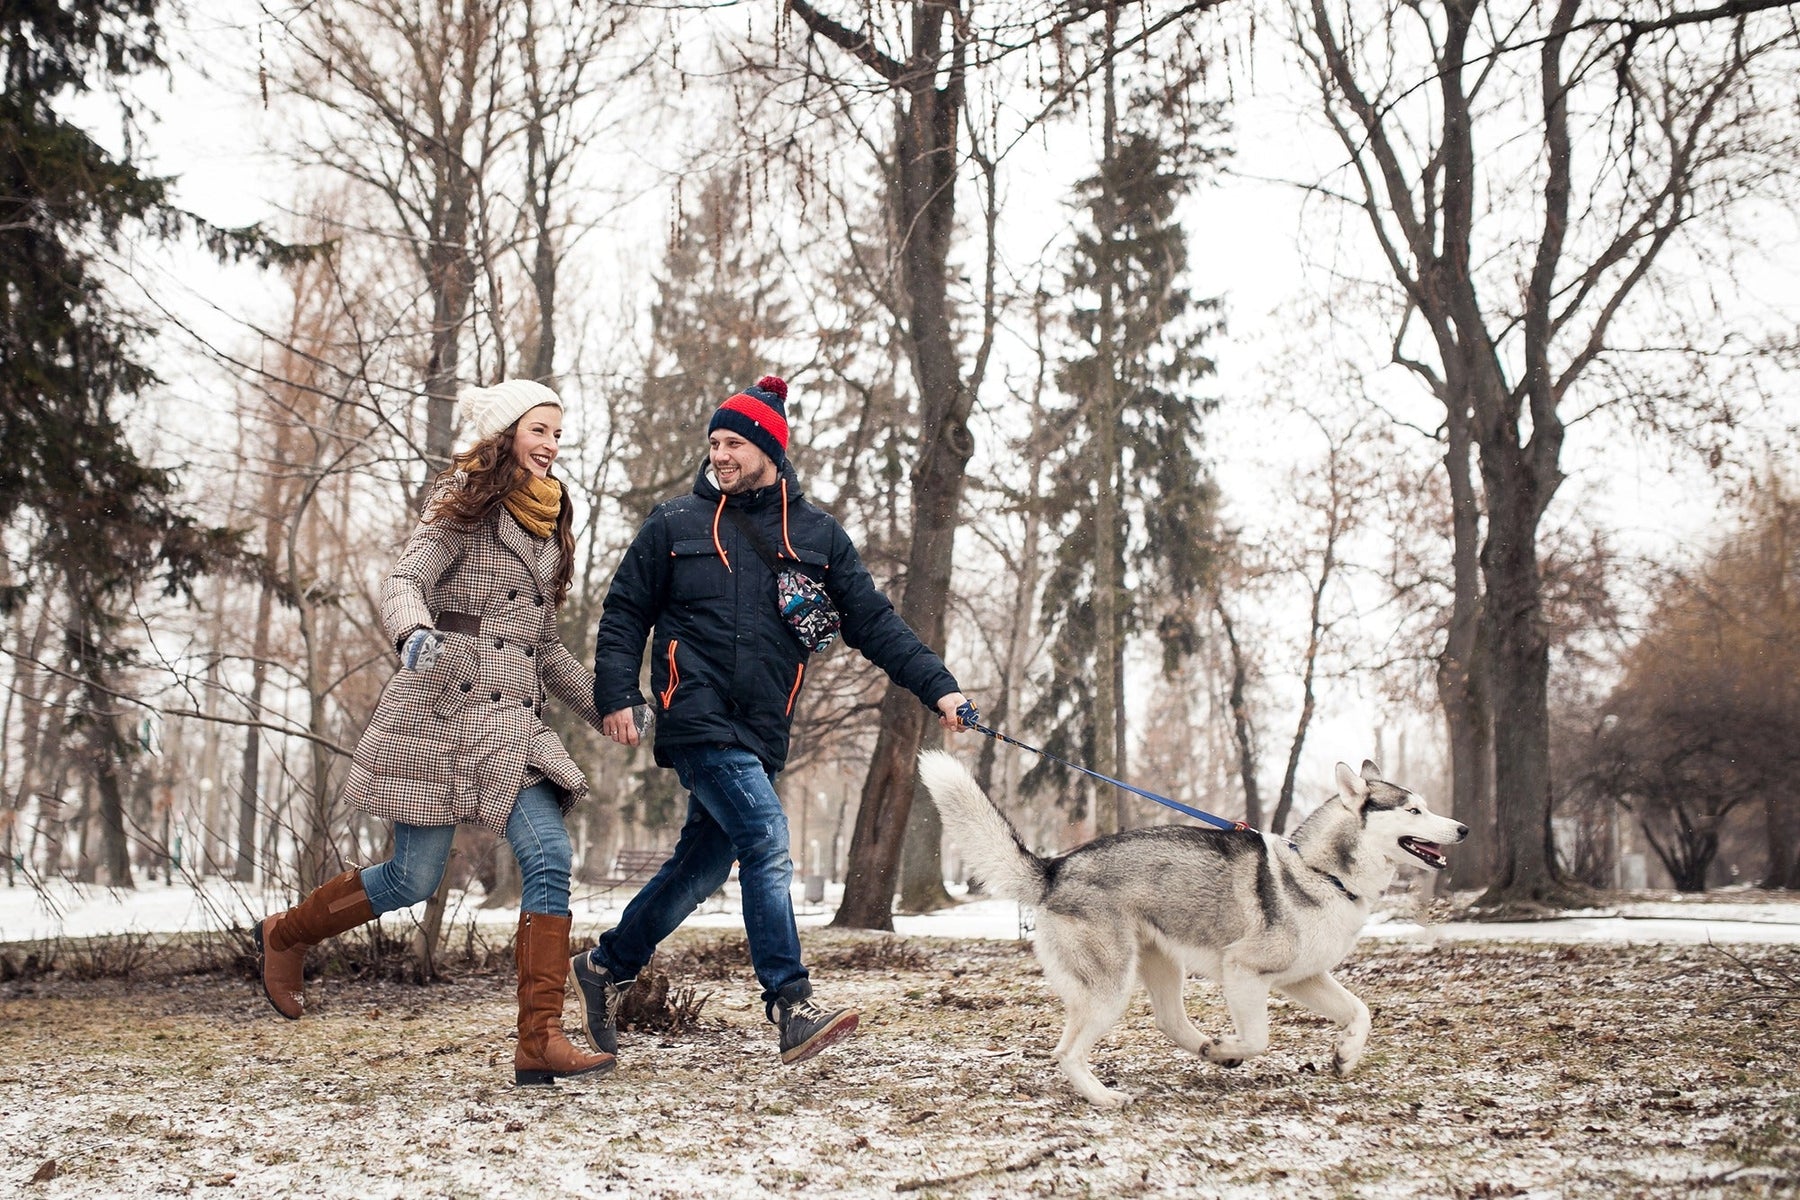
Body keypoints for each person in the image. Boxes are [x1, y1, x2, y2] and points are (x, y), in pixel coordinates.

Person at [570, 374, 974, 1067]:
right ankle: (791, 1002)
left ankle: (606, 966)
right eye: (713, 442)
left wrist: (938, 688)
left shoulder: (816, 537)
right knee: (763, 836)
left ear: (767, 447)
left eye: (732, 442)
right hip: (693, 713)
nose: (718, 455)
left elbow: (874, 624)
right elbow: (625, 611)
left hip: (763, 729)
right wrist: (616, 693)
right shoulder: (674, 525)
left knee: (701, 867)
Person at [255, 379, 615, 1088]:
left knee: (548, 856)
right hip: (442, 707)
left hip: (511, 719)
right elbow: (404, 580)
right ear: (508, 432)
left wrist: (610, 707)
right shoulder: (463, 505)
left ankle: (538, 1037)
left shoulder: (550, 529)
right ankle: (286, 933)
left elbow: (545, 648)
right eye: (538, 430)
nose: (549, 445)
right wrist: (414, 632)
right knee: (412, 878)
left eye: (558, 434)